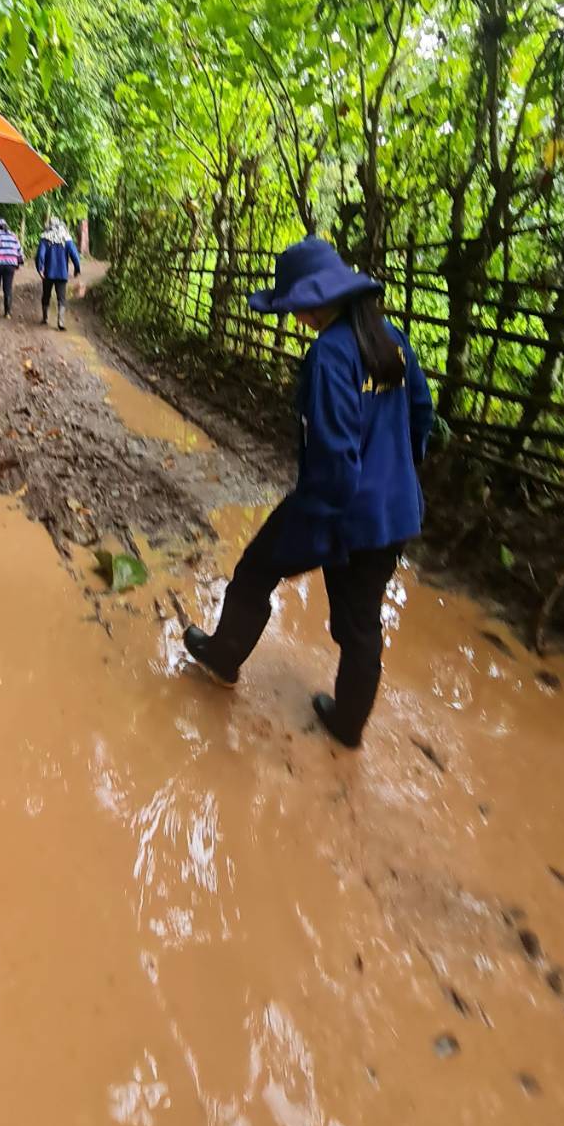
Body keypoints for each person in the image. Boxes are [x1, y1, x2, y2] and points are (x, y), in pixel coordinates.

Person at [183, 236, 434, 749]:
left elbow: (334, 457)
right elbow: (422, 417)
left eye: (296, 305)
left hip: (337, 506)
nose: (294, 316)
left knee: (256, 569)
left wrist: (316, 523)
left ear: (318, 300)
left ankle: (223, 658)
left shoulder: (329, 357)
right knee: (361, 623)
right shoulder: (394, 341)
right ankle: (347, 727)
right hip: (395, 512)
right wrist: (398, 477)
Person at [35, 216, 81, 329]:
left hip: (47, 274)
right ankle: (60, 322)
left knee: (46, 295)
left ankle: (45, 318)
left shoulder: (45, 238)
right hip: (62, 274)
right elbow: (75, 255)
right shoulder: (67, 238)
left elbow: (40, 255)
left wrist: (40, 269)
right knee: (61, 298)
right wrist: (77, 269)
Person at [0, 216, 24, 317]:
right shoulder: (13, 235)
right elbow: (19, 250)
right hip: (11, 265)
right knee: (8, 288)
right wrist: (18, 263)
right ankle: (7, 313)